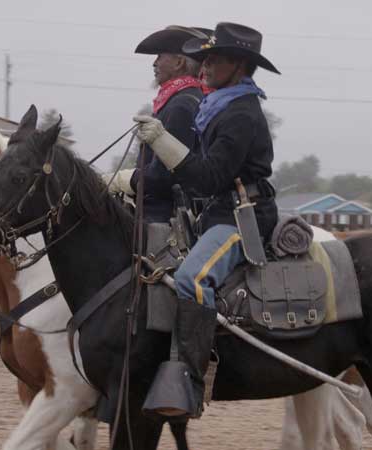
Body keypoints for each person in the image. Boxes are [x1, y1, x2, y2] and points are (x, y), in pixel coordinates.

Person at [133, 22, 279, 418]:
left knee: (191, 279)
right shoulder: (219, 106)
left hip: (241, 219)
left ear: (239, 65)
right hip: (215, 215)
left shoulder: (242, 115)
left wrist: (162, 142)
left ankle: (191, 384)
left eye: (215, 58)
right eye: (206, 57)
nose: (206, 64)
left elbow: (209, 176)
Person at [107, 25, 211, 222]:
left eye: (160, 56)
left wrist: (122, 180)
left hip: (164, 216)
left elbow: (163, 176)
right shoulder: (185, 99)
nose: (154, 63)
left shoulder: (181, 105)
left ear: (179, 62)